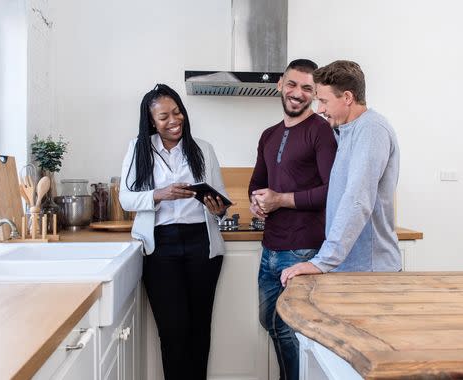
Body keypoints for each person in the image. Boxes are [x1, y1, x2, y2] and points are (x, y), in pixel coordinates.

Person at [119, 84, 230, 380]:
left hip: (201, 245)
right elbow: (126, 198)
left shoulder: (203, 148)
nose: (174, 120)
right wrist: (160, 194)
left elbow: (220, 200)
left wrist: (217, 207)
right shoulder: (138, 148)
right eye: (164, 116)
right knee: (172, 330)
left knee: (198, 328)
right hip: (161, 247)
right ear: (151, 121)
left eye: (177, 112)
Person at [249, 59, 337, 380]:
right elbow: (257, 181)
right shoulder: (269, 135)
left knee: (291, 329)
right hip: (271, 247)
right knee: (269, 321)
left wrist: (280, 200)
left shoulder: (322, 132)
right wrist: (257, 202)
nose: (297, 93)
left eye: (307, 88)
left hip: (304, 250)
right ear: (280, 85)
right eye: (292, 84)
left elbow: (332, 191)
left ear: (314, 94)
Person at [280, 60, 401, 287]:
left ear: (347, 97)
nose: (319, 110)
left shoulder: (371, 130)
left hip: (370, 272)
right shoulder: (346, 131)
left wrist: (322, 261)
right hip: (352, 268)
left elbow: (358, 199)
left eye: (324, 101)